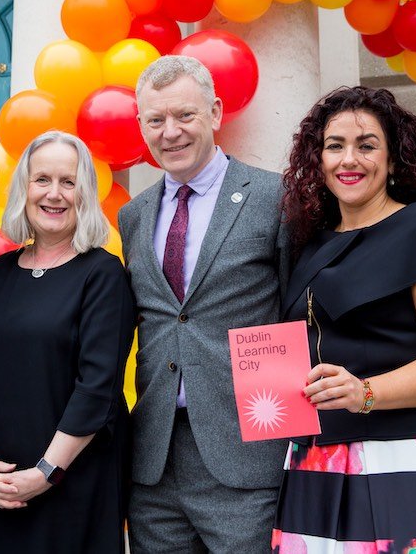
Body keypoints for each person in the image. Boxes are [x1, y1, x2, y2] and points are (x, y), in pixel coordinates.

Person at [273, 86, 416, 552]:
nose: (348, 160)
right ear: (318, 160)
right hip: (317, 461)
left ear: (393, 161)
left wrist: (365, 392)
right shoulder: (311, 242)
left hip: (402, 459)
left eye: (366, 145)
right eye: (335, 146)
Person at [120, 55, 291, 553]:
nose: (170, 132)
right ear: (141, 127)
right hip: (155, 463)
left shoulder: (274, 197)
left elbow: (297, 313)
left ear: (215, 113)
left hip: (245, 460)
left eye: (184, 116)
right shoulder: (134, 216)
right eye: (155, 120)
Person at [0, 130, 135, 553]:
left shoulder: (103, 274)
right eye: (42, 180)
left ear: (85, 194)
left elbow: (97, 389)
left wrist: (44, 473)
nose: (54, 194)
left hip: (72, 481)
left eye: (68, 182)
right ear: (24, 188)